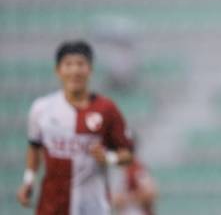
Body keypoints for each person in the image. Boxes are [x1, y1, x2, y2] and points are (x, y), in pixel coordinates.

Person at [16, 40, 133, 215]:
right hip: (52, 203)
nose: (75, 71)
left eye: (80, 64)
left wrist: (108, 158)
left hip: (93, 204)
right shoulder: (41, 109)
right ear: (58, 70)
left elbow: (127, 155)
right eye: (68, 64)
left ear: (90, 69)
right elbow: (34, 147)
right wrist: (29, 180)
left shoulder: (107, 109)